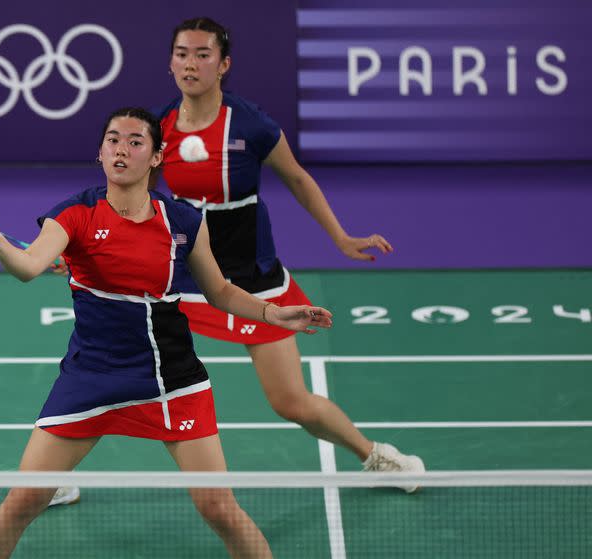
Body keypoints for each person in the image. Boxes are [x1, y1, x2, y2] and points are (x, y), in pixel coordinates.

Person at [0, 107, 333, 558]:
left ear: (157, 156)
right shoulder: (74, 214)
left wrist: (273, 313)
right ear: (100, 152)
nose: (122, 149)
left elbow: (219, 291)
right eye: (113, 139)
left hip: (169, 378)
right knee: (23, 499)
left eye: (136, 142)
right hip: (91, 377)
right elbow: (29, 266)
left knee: (218, 506)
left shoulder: (181, 222)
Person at [150, 17, 425, 487]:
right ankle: (49, 475)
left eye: (202, 54)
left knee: (290, 401)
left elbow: (297, 178)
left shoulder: (251, 124)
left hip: (253, 280)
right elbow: (138, 198)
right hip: (185, 277)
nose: (190, 64)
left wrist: (340, 237)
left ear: (224, 64)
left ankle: (376, 455)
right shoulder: (160, 128)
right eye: (182, 53)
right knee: (123, 375)